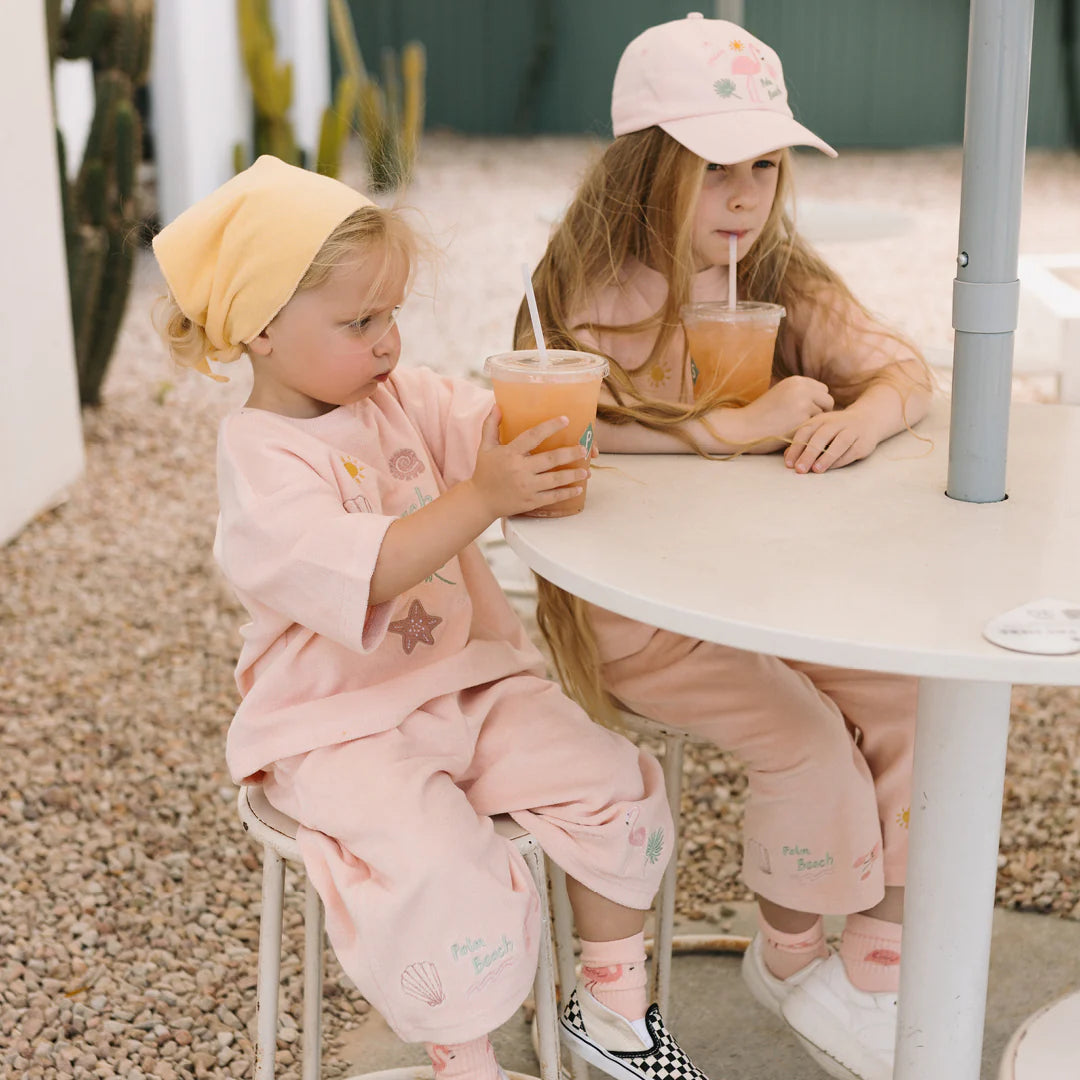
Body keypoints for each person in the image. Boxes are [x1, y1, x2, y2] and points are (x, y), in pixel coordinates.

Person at [151, 155, 713, 1080]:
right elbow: (376, 568)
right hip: (337, 723)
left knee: (609, 775)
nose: (386, 345)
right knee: (433, 864)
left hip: (465, 681)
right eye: (359, 322)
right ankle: (462, 1055)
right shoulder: (262, 462)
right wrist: (486, 495)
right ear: (258, 329)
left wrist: (549, 426)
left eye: (393, 317)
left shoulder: (397, 398)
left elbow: (489, 428)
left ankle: (611, 1011)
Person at [516, 14, 933, 1080]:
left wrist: (870, 412)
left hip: (771, 593)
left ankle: (873, 969)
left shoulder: (778, 271)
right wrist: (713, 430)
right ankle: (793, 957)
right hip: (640, 616)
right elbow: (549, 431)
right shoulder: (589, 293)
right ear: (647, 166)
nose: (747, 196)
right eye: (716, 171)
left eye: (765, 165)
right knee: (808, 742)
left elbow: (900, 367)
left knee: (904, 698)